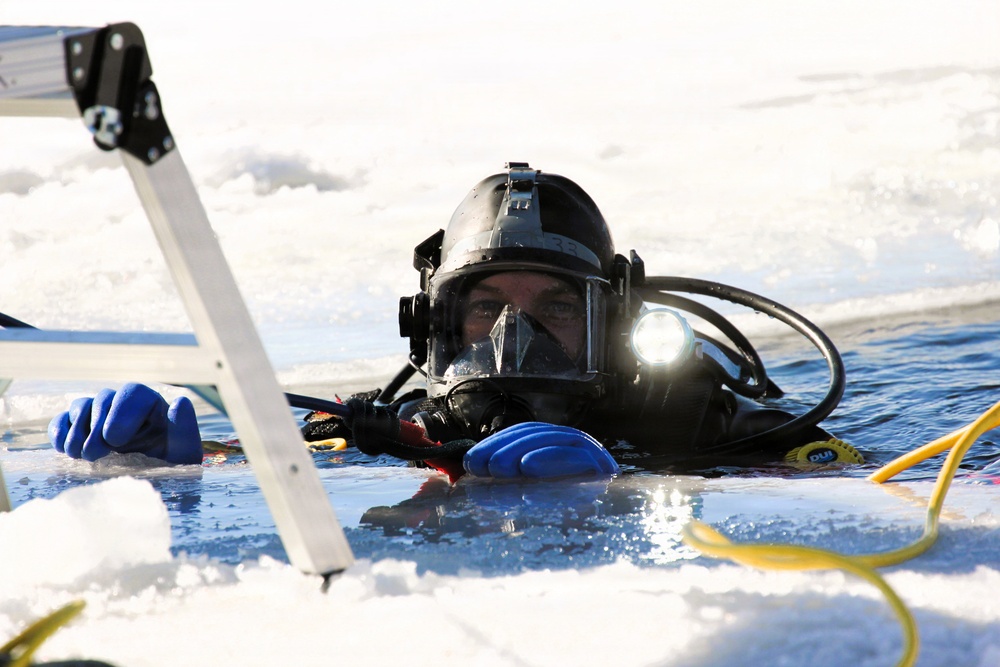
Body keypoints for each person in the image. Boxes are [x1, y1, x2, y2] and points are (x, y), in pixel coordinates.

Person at [48, 162, 862, 479]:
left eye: (553, 308)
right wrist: (162, 464)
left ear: (612, 327)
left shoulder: (703, 424)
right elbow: (260, 461)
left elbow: (879, 483)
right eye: (485, 308)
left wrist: (635, 470)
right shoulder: (392, 433)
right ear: (434, 330)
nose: (515, 337)